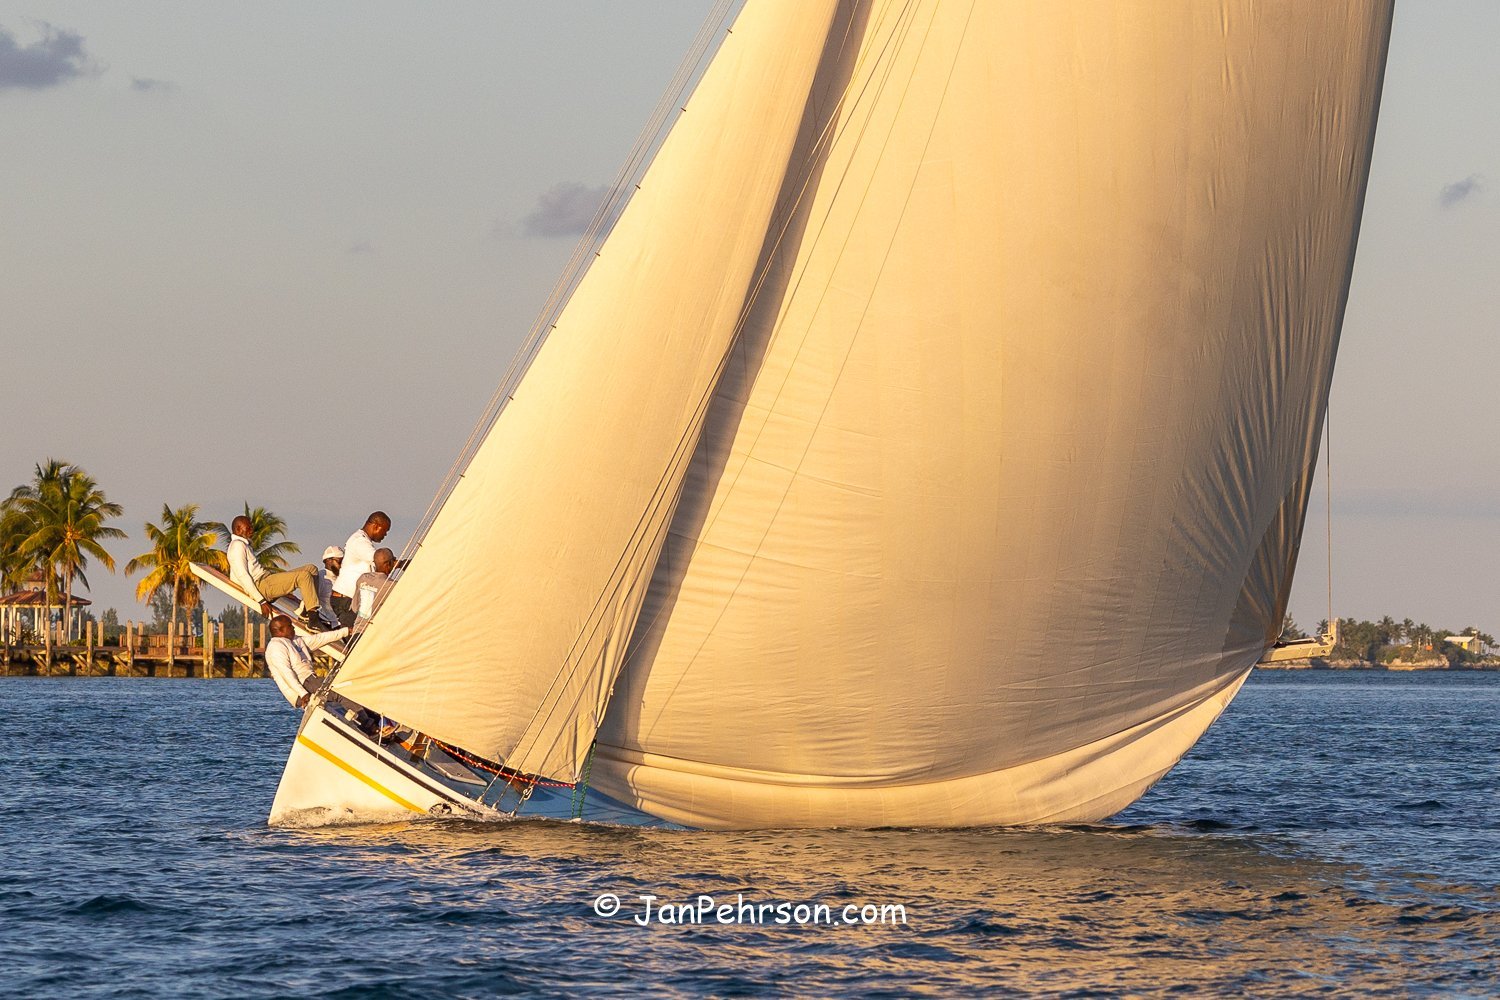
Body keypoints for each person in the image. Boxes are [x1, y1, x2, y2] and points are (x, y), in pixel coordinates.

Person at [225, 515, 334, 631]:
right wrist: (261, 601)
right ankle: (313, 619)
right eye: (248, 528)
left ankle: (307, 611)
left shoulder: (244, 545)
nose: (252, 531)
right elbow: (242, 575)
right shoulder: (237, 546)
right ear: (237, 529)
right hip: (261, 585)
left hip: (267, 580)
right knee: (304, 576)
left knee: (311, 569)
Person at [264, 614, 349, 708]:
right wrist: (303, 693)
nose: (293, 627)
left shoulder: (296, 640)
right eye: (290, 626)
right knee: (339, 692)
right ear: (280, 630)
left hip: (311, 681)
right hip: (303, 684)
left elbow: (320, 639)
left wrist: (345, 631)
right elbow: (286, 673)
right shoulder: (276, 647)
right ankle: (365, 720)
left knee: (341, 689)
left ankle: (361, 717)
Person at [330, 511, 393, 626]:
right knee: (356, 636)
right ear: (376, 526)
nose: (385, 535)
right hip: (346, 600)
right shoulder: (359, 541)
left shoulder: (364, 541)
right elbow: (381, 560)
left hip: (360, 599)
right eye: (385, 531)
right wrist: (405, 564)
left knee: (364, 630)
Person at [351, 547, 398, 636]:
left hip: (357, 631)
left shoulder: (363, 578)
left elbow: (355, 607)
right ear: (389, 564)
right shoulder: (392, 586)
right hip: (373, 636)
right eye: (394, 560)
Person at [316, 545, 343, 629]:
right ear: (328, 561)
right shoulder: (321, 577)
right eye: (339, 561)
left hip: (342, 621)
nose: (341, 565)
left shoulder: (342, 577)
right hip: (329, 623)